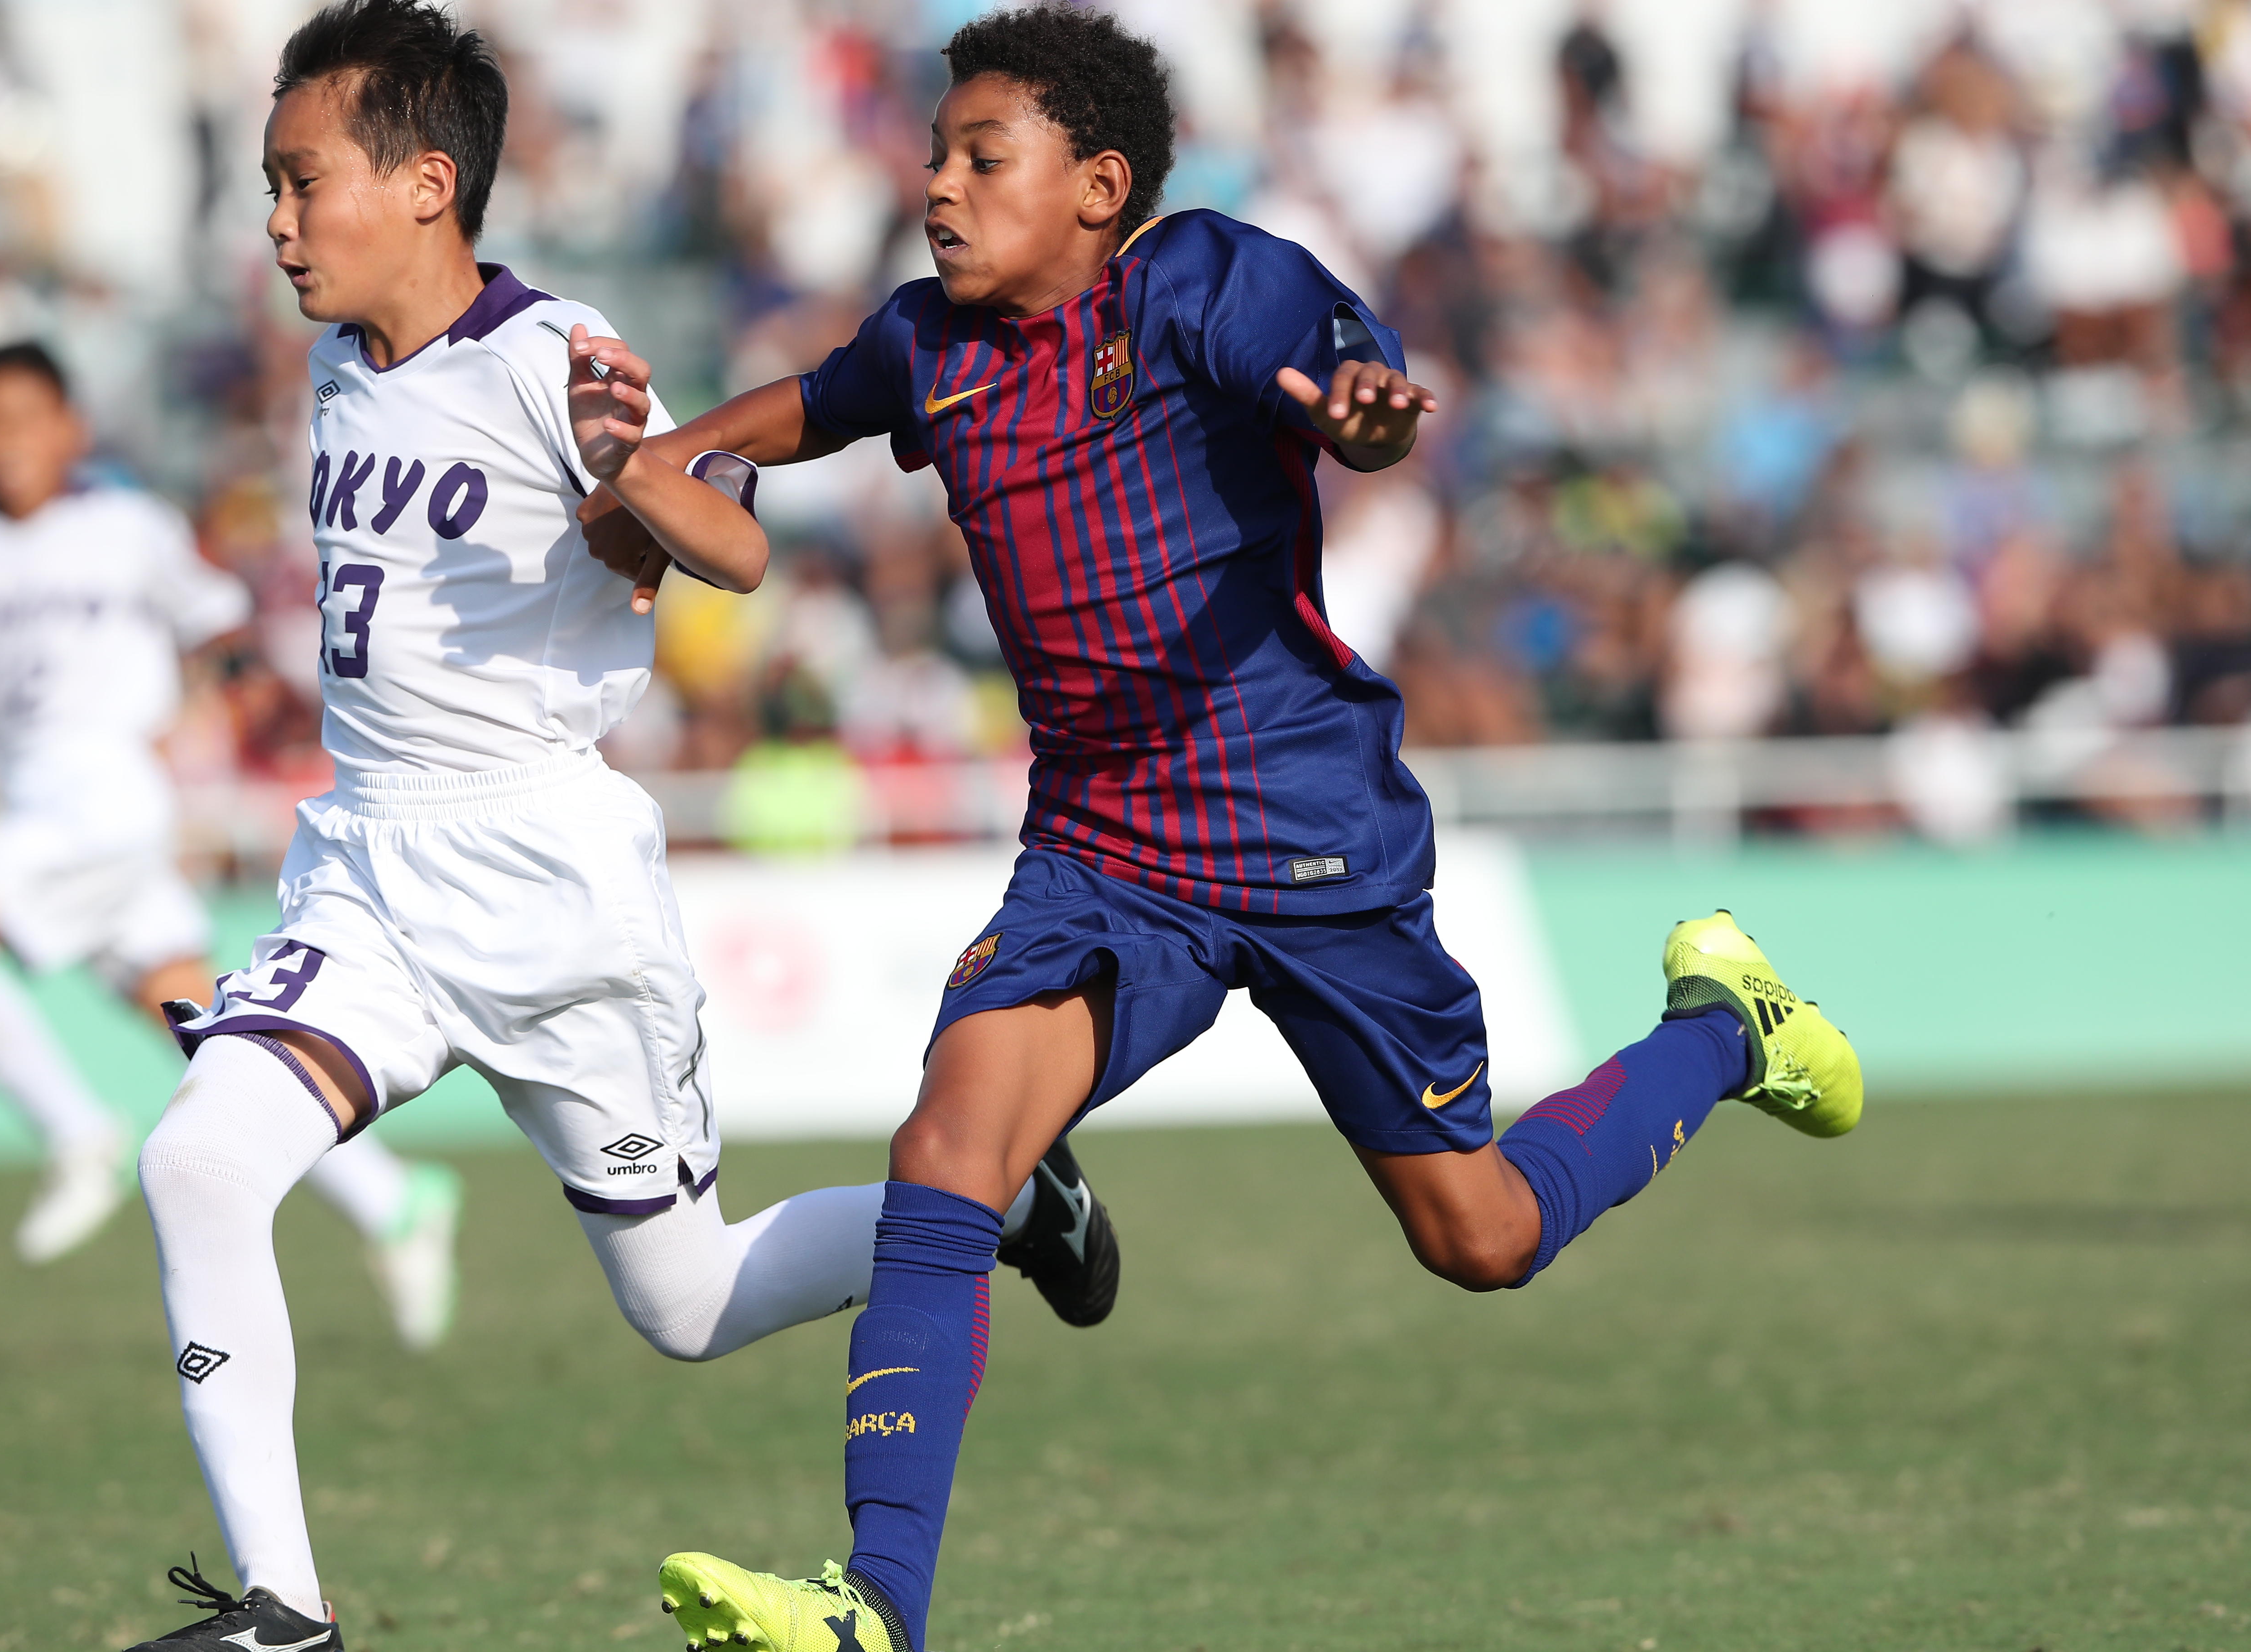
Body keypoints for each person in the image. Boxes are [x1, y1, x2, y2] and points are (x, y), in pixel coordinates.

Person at [589, 11, 1866, 1652]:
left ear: (1098, 185)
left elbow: (1345, 384)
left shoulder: (1199, 280)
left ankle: (1724, 1027)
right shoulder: (928, 343)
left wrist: (1363, 422)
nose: (940, 186)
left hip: (1307, 829)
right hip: (1104, 854)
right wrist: (683, 450)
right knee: (945, 1148)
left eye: (983, 157)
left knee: (1480, 1235)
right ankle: (872, 1604)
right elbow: (815, 403)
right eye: (935, 156)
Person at [116, 6, 1116, 1647]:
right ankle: (283, 1609)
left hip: (544, 882)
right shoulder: (333, 364)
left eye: (304, 181)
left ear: (427, 184)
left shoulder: (553, 352)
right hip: (367, 871)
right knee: (199, 1159)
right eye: (272, 187)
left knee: (687, 1302)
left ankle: (1003, 1207)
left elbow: (734, 552)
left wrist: (636, 477)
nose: (278, 221)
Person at [0, 342, 463, 1352]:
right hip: (26, 798)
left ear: (71, 429)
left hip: (106, 795)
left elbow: (216, 620)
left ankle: (77, 1135)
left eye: (27, 419)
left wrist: (247, 693)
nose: (7, 443)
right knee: (210, 1037)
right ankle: (394, 1202)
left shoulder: (128, 526)